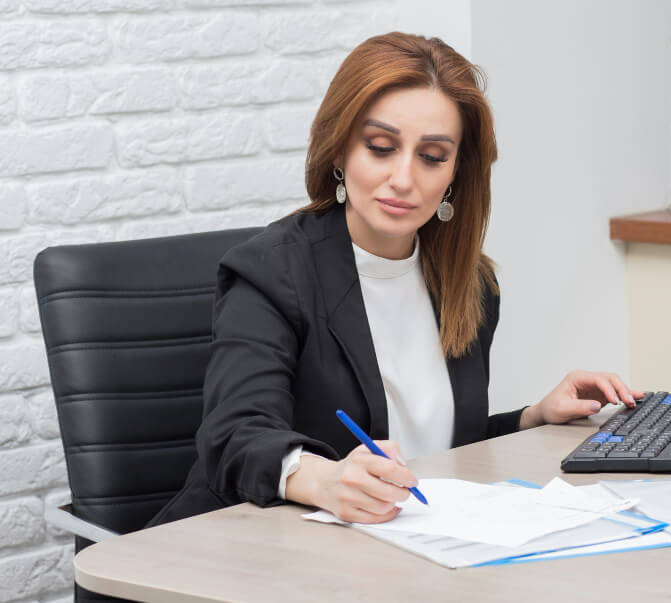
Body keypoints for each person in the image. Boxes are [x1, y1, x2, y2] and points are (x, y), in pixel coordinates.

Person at [149, 32, 642, 527]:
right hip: (250, 552)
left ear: (455, 174)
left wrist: (532, 418)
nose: (404, 179)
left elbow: (435, 447)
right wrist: (323, 479)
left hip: (406, 549)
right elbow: (234, 436)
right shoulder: (272, 272)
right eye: (381, 148)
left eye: (431, 157)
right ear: (339, 150)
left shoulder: (468, 285)